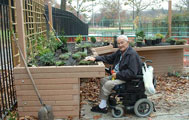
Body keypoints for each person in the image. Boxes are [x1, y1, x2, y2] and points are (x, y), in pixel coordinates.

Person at [85, 35, 143, 113]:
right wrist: (95, 58)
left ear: (128, 42)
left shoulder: (132, 55)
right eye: (118, 43)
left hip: (127, 79)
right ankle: (103, 104)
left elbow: (132, 73)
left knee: (108, 84)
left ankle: (102, 107)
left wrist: (117, 75)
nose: (120, 45)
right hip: (118, 75)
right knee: (103, 80)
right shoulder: (120, 52)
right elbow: (109, 58)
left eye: (122, 43)